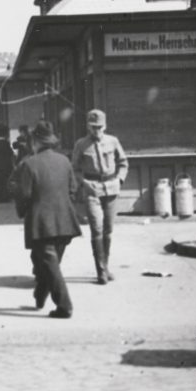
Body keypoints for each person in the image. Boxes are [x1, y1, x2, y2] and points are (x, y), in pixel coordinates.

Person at [12, 121, 82, 319]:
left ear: (35, 142)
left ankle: (64, 306)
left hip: (42, 223)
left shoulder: (28, 164)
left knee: (49, 263)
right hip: (65, 221)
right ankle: (40, 294)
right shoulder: (64, 161)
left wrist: (23, 212)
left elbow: (24, 195)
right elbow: (73, 189)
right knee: (50, 263)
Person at [71, 109, 128, 285]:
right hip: (92, 189)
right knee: (96, 229)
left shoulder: (113, 141)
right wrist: (83, 183)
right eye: (93, 127)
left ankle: (106, 265)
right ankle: (101, 271)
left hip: (111, 188)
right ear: (88, 127)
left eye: (100, 127)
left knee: (108, 230)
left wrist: (119, 179)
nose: (97, 131)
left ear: (105, 126)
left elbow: (123, 162)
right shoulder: (81, 144)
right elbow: (74, 168)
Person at [0, 124, 17, 203]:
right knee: (5, 182)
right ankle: (4, 196)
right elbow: (10, 154)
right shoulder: (5, 143)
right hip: (6, 165)